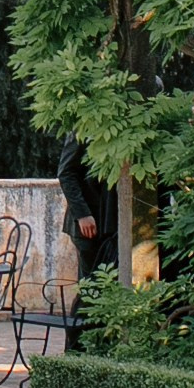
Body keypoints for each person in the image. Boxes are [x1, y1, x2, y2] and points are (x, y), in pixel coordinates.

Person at [56, 135, 119, 348]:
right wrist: (82, 214)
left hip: (107, 225)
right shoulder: (82, 128)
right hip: (87, 225)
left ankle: (95, 348)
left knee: (103, 287)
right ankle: (75, 351)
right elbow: (66, 173)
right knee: (90, 289)